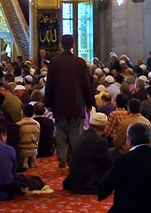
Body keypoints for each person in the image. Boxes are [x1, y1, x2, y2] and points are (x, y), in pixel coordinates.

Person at [43, 34, 95, 168]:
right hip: (77, 104)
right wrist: (89, 103)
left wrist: (48, 103)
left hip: (59, 104)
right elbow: (86, 84)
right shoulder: (80, 62)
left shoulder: (54, 62)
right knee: (75, 133)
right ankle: (74, 157)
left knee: (60, 130)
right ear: (73, 45)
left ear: (61, 45)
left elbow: (50, 84)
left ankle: (62, 156)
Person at [63, 112, 112, 194]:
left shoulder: (82, 135)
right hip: (87, 181)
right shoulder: (100, 141)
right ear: (104, 127)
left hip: (75, 178)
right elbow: (107, 163)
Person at [17, 104, 41, 169]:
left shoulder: (19, 124)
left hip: (22, 150)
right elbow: (38, 138)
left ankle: (25, 161)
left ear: (23, 112)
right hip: (34, 149)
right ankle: (33, 160)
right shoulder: (37, 124)